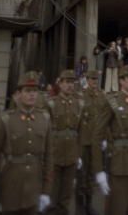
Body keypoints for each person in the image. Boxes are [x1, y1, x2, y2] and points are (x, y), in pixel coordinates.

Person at [0, 71, 52, 215]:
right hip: (10, 189)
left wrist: (46, 191)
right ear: (19, 94)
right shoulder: (6, 120)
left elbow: (49, 157)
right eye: (27, 91)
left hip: (34, 189)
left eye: (35, 91)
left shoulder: (44, 119)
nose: (32, 94)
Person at [92, 65, 128, 215]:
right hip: (119, 165)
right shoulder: (112, 101)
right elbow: (97, 136)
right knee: (117, 208)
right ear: (122, 81)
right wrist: (99, 171)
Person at [46, 69, 83, 214]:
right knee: (52, 194)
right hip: (55, 154)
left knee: (66, 195)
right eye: (67, 82)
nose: (70, 86)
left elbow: (80, 131)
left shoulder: (79, 103)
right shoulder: (51, 104)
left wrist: (78, 154)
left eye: (72, 82)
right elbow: (46, 132)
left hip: (71, 154)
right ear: (60, 84)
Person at [78, 70, 102, 215]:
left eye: (96, 79)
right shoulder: (81, 96)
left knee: (92, 174)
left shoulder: (101, 95)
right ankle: (80, 207)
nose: (94, 81)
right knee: (82, 175)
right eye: (92, 79)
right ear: (87, 80)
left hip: (96, 140)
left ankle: (89, 203)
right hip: (83, 140)